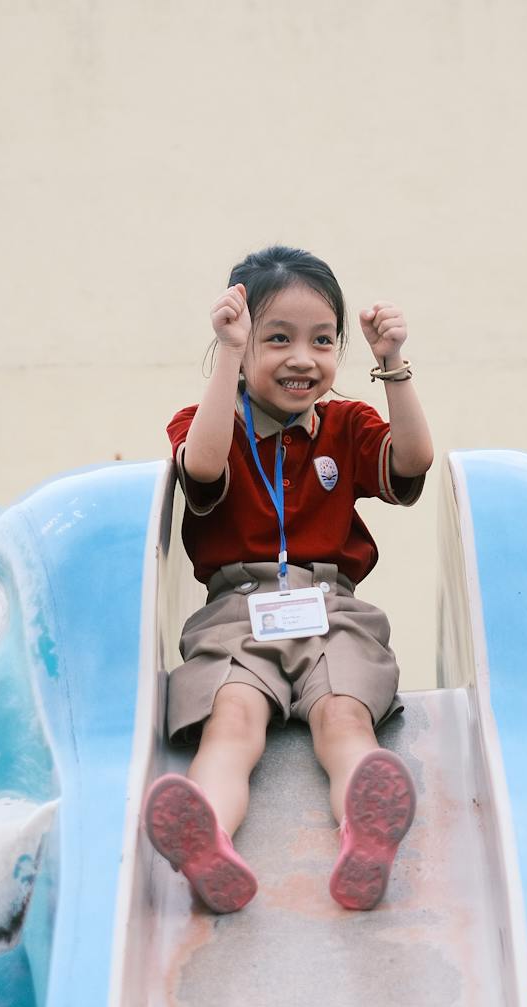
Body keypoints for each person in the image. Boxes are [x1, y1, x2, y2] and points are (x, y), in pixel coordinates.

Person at [141, 245, 434, 913]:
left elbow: (415, 457)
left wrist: (393, 363)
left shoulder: (347, 424)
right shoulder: (210, 421)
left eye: (322, 340)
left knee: (343, 715)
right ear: (243, 348)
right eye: (277, 339)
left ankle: (368, 833)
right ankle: (205, 836)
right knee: (232, 720)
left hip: (330, 608)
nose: (303, 357)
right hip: (237, 614)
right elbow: (206, 466)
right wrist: (225, 357)